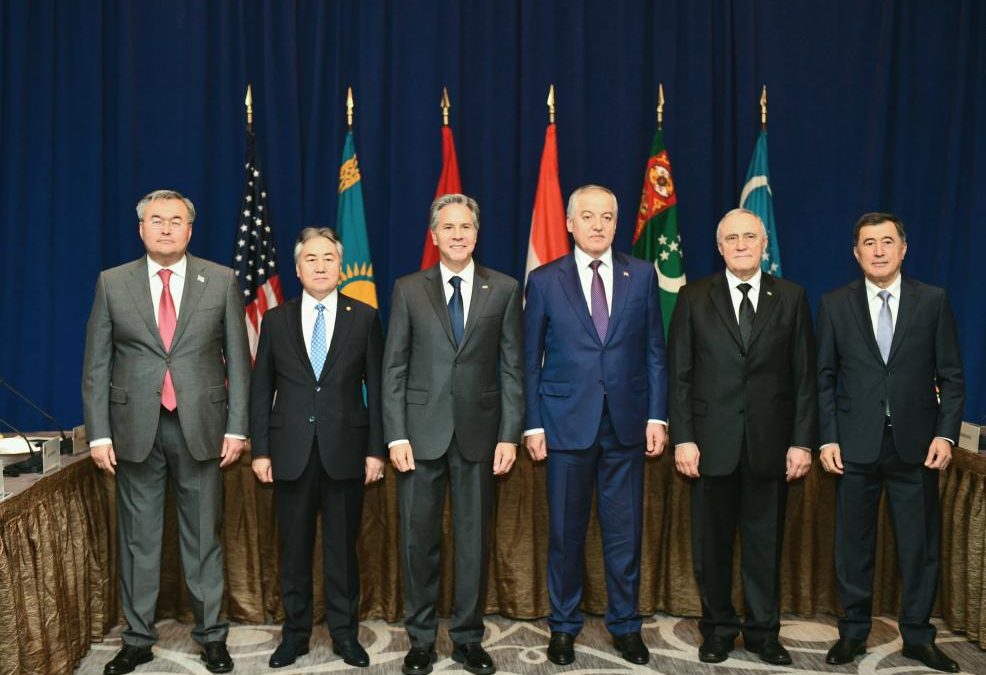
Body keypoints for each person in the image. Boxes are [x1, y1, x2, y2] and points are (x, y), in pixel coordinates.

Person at [82, 189, 250, 675]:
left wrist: (237, 427)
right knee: (139, 539)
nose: (166, 229)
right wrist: (98, 435)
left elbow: (239, 362)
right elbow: (97, 364)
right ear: (141, 229)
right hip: (134, 429)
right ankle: (137, 639)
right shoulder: (113, 283)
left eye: (176, 221)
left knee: (203, 538)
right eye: (157, 220)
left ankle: (212, 637)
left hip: (202, 428)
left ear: (190, 230)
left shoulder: (219, 280)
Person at [524, 184, 667, 667]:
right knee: (566, 533)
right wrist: (533, 425)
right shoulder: (544, 280)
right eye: (588, 216)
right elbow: (529, 362)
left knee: (624, 533)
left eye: (607, 216)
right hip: (565, 426)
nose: (598, 225)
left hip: (626, 426)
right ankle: (563, 627)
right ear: (569, 223)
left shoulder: (642, 275)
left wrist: (656, 414)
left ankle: (625, 626)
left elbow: (654, 352)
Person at [667, 208, 817, 665]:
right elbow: (681, 375)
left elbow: (805, 377)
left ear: (764, 243)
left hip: (771, 446)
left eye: (749, 236)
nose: (740, 245)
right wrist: (684, 438)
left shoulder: (791, 297)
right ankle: (716, 629)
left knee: (763, 546)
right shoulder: (693, 297)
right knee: (712, 546)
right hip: (710, 445)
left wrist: (802, 441)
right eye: (731, 238)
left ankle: (763, 633)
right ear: (719, 247)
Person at [382, 193, 524, 675]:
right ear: (434, 235)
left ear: (476, 234)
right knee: (419, 542)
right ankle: (420, 638)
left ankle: (467, 637)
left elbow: (512, 369)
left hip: (481, 438)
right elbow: (394, 367)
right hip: (419, 438)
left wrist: (509, 435)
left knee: (473, 541)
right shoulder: (407, 289)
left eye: (466, 227)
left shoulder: (503, 289)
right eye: (449, 227)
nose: (458, 234)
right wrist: (396, 435)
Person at [817, 212, 964, 673]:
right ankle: (853, 633)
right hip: (855, 445)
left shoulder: (933, 301)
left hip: (917, 446)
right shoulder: (834, 303)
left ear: (903, 248)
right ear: (855, 253)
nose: (878, 251)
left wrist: (945, 433)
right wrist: (827, 438)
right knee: (853, 547)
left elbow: (952, 378)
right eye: (868, 243)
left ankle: (919, 637)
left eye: (886, 242)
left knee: (918, 546)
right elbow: (822, 379)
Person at [249, 227, 384, 668]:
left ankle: (345, 635)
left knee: (343, 551)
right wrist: (261, 450)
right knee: (294, 549)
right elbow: (260, 388)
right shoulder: (276, 319)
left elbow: (378, 390)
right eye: (312, 258)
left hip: (346, 451)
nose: (321, 265)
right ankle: (296, 635)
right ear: (298, 267)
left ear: (340, 267)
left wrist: (375, 451)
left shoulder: (363, 317)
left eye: (329, 258)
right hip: (289, 452)